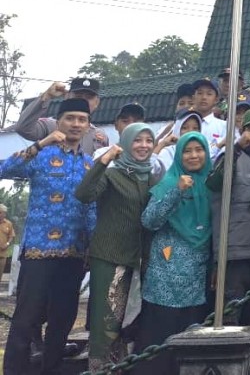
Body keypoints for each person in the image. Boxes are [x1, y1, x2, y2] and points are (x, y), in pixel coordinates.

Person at [1, 99, 97, 375]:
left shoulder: (91, 165)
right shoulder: (41, 156)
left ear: (88, 125)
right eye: (70, 118)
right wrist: (40, 144)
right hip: (38, 252)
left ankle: (51, 369)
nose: (76, 124)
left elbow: (92, 209)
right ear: (59, 122)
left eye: (82, 119)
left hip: (73, 253)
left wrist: (92, 246)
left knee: (62, 321)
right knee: (25, 320)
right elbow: (5, 168)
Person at [74, 122, 155, 370]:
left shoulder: (149, 174)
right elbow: (84, 194)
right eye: (138, 140)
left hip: (137, 260)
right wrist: (103, 161)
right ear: (127, 142)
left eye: (148, 141)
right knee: (105, 322)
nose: (144, 146)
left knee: (125, 325)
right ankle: (98, 369)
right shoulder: (112, 173)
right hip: (110, 258)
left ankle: (118, 368)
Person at [135, 131, 212, 374]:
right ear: (179, 155)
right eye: (187, 151)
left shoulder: (212, 184)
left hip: (197, 275)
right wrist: (176, 191)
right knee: (160, 339)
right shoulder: (169, 182)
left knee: (190, 337)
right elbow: (149, 220)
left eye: (198, 150)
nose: (193, 155)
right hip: (165, 277)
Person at [206, 108, 250, 324]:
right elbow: (214, 182)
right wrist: (236, 147)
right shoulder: (228, 155)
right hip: (235, 252)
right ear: (242, 129)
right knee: (230, 316)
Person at [15, 77, 108, 155]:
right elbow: (22, 128)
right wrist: (46, 96)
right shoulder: (50, 125)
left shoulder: (100, 136)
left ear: (97, 102)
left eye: (89, 97)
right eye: (78, 96)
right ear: (67, 97)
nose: (83, 101)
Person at [0, 204, 14, 281]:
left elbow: (11, 236)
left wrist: (7, 244)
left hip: (3, 254)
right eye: (3, 212)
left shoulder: (8, 223)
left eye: (5, 213)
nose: (4, 214)